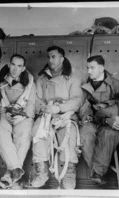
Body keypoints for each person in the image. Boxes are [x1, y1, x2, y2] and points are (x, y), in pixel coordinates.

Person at [31, 46, 83, 189]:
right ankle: (41, 173)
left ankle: (69, 175)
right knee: (37, 131)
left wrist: (59, 108)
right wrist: (45, 108)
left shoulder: (72, 78)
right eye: (49, 57)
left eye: (53, 57)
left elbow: (77, 100)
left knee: (70, 134)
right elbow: (36, 99)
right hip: (47, 114)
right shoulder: (41, 78)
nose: (50, 60)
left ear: (62, 58)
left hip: (66, 115)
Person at [0, 54, 36, 189]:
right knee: (0, 131)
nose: (15, 69)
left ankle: (9, 175)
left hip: (22, 115)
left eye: (19, 66)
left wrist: (22, 116)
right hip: (5, 113)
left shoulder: (29, 81)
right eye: (13, 64)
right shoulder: (0, 79)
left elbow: (31, 103)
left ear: (23, 68)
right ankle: (16, 168)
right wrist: (5, 114)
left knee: (24, 134)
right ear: (9, 65)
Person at [78, 55, 119, 173]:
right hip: (92, 121)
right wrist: (85, 116)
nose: (89, 71)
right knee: (84, 136)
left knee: (106, 137)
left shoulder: (115, 84)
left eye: (92, 68)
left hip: (109, 122)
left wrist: (106, 104)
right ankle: (96, 172)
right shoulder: (85, 84)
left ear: (102, 68)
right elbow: (83, 104)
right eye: (87, 68)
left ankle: (99, 171)